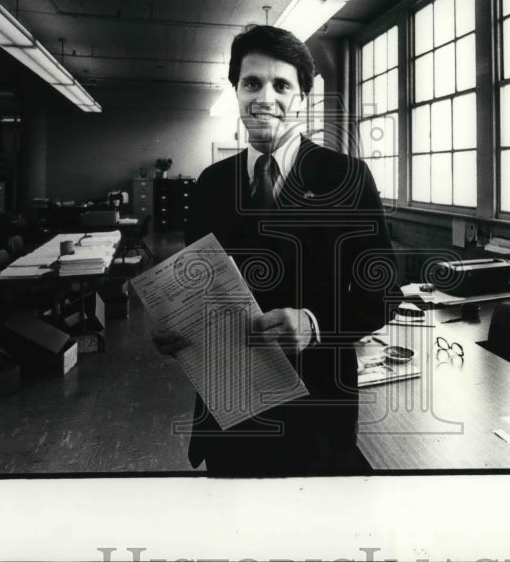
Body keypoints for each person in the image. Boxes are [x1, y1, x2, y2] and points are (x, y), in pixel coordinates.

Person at [153, 24, 395, 475]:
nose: (265, 97)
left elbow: (382, 295)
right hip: (229, 416)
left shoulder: (348, 178)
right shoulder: (210, 185)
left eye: (281, 85)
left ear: (302, 97)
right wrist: (174, 328)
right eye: (251, 83)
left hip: (316, 412)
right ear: (237, 93)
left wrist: (314, 324)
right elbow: (194, 290)